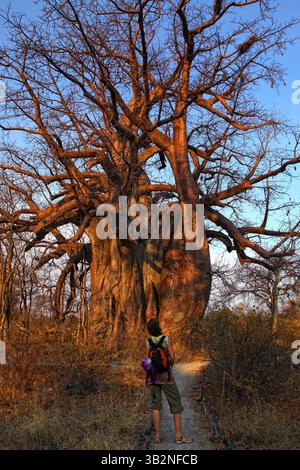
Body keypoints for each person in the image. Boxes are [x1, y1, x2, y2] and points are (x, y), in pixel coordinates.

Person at [145, 317, 193, 445]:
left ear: (149, 330)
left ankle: (157, 436)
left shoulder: (148, 341)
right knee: (175, 403)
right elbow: (173, 357)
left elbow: (147, 360)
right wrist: (168, 365)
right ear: (159, 327)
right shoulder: (166, 339)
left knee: (156, 405)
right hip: (166, 377)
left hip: (153, 378)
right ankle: (178, 436)